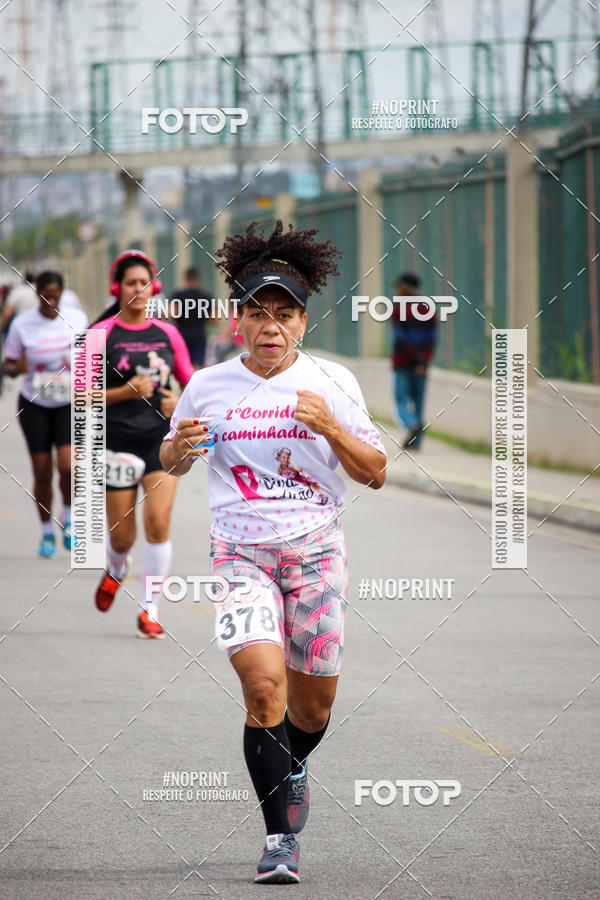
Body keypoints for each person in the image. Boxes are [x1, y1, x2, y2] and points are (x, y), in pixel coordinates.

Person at [160, 220, 387, 884]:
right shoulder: (207, 386)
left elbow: (375, 471)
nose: (270, 326)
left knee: (312, 709)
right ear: (239, 322)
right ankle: (280, 840)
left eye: (283, 314)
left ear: (303, 323)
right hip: (240, 556)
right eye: (258, 313)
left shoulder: (333, 383)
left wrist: (330, 429)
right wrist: (178, 448)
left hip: (316, 553)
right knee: (264, 689)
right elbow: (170, 461)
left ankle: (293, 760)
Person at [89, 249, 194, 638]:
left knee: (159, 522)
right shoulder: (99, 335)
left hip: (159, 440)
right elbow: (81, 397)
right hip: (115, 443)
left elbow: (191, 382)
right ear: (117, 287)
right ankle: (116, 568)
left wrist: (178, 403)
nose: (138, 289)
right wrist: (125, 392)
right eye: (131, 282)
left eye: (144, 283)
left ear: (154, 288)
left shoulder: (167, 333)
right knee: (121, 536)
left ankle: (150, 608)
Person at [2, 271, 88, 557]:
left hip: (67, 403)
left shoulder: (76, 319)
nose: (50, 302)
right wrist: (20, 367)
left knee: (67, 466)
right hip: (34, 404)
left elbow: (92, 358)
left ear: (62, 295)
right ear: (36, 294)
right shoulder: (22, 325)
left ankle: (68, 518)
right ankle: (46, 532)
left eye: (55, 297)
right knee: (41, 470)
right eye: (45, 297)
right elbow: (9, 364)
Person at [391, 271, 438, 449]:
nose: (397, 290)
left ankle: (411, 425)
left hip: (403, 362)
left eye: (399, 286)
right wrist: (422, 362)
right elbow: (432, 339)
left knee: (401, 398)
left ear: (406, 288)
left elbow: (400, 338)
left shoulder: (397, 309)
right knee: (418, 401)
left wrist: (416, 360)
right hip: (421, 365)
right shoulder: (429, 308)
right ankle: (416, 441)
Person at [169, 265, 211, 368]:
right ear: (197, 279)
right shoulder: (205, 296)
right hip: (199, 336)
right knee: (198, 366)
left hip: (182, 336)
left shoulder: (178, 295)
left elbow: (171, 315)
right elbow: (214, 319)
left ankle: (186, 383)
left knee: (184, 365)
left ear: (185, 279)